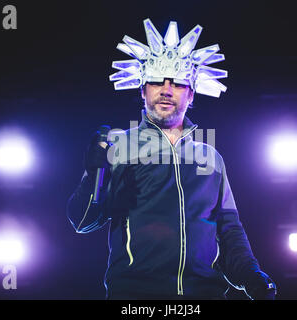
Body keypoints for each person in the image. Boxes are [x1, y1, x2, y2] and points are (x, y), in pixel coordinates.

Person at [67, 18, 276, 300]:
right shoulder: (118, 147)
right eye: (156, 80)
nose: (166, 89)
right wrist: (93, 175)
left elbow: (228, 230)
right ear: (142, 90)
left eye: (177, 83)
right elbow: (82, 221)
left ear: (191, 94)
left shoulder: (210, 156)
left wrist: (251, 275)